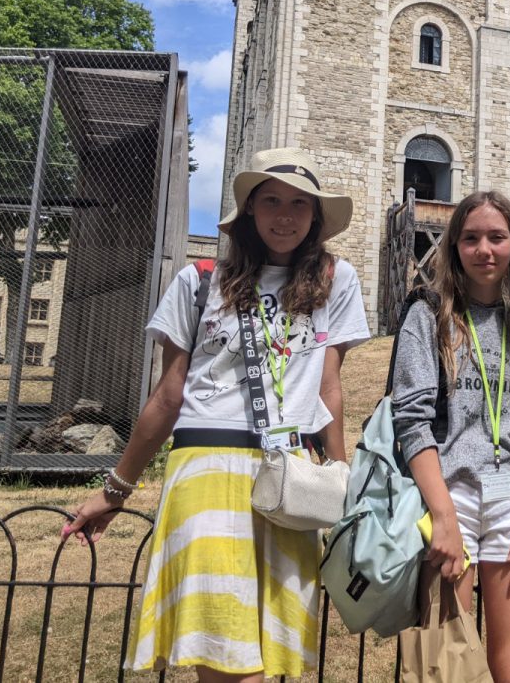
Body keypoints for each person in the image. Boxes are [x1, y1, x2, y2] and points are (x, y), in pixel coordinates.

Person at [62, 147, 370, 682]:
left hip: (291, 475)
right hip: (206, 465)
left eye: (299, 203)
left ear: (316, 215)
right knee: (226, 654)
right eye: (271, 201)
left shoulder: (335, 280)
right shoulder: (199, 279)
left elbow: (329, 389)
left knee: (269, 654)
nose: (285, 216)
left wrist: (340, 482)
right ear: (249, 209)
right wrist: (115, 490)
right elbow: (168, 396)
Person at [392, 191, 510, 683]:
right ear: (454, 247)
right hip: (450, 495)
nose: (484, 249)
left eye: (497, 237)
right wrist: (442, 517)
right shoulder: (428, 316)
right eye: (471, 238)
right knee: (448, 664)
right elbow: (411, 420)